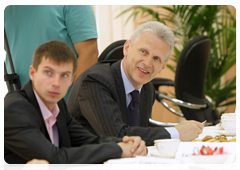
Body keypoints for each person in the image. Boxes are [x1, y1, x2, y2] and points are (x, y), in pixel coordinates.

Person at [4, 40, 147, 170]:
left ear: (72, 79)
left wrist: (126, 142)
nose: (56, 83)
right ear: (33, 73)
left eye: (64, 75)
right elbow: (54, 158)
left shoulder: (57, 104)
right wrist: (119, 149)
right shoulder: (15, 109)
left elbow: (89, 140)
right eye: (48, 73)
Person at [67, 21, 204, 146]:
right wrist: (175, 133)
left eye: (156, 58)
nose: (147, 63)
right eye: (143, 52)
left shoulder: (147, 88)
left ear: (162, 67)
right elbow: (118, 136)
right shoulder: (95, 81)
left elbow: (138, 133)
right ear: (127, 48)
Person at [4, 5, 98, 100]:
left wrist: (76, 106)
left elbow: (89, 53)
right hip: (20, 105)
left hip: (64, 107)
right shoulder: (6, 8)